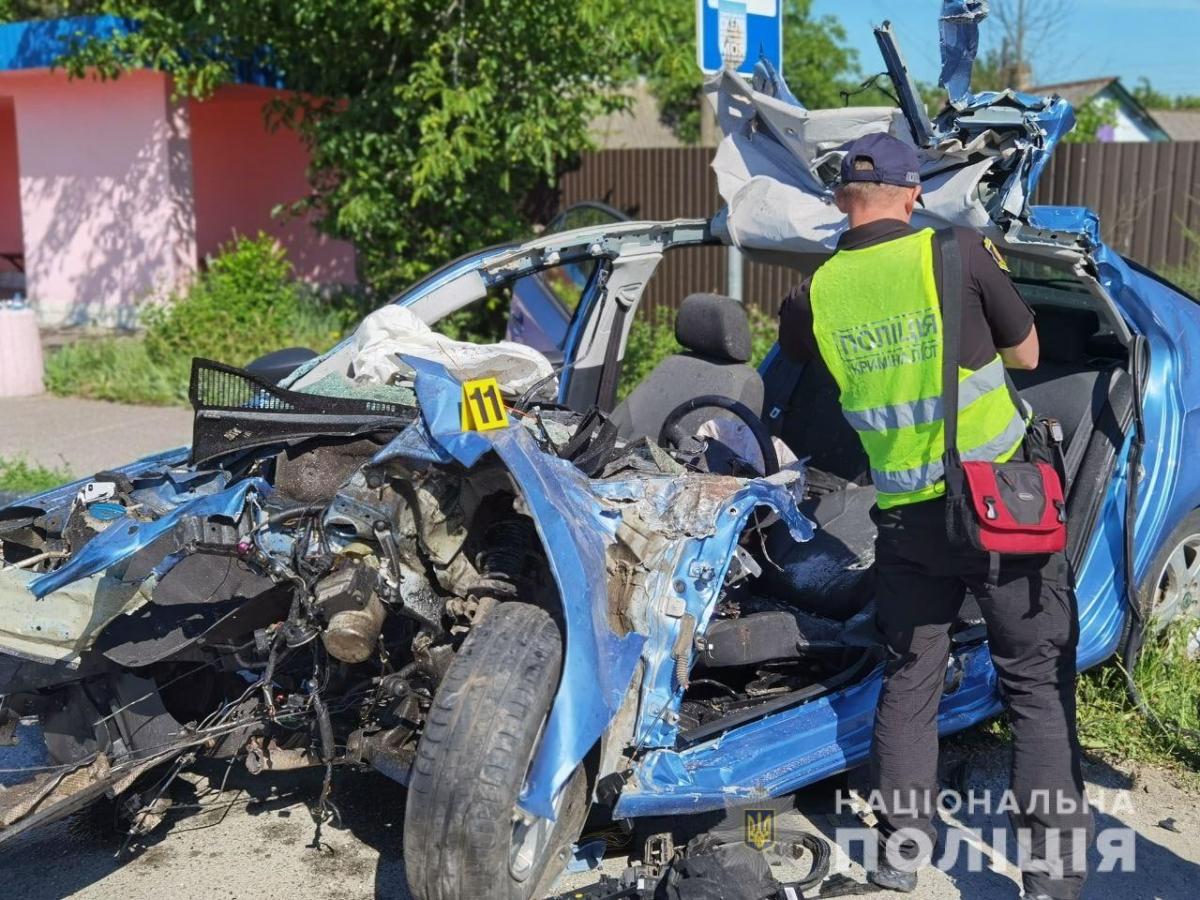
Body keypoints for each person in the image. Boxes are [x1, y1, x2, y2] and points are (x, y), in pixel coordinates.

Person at [777, 133, 1093, 899]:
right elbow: (1025, 357)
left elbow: (801, 377)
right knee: (1034, 685)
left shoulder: (813, 294)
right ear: (912, 193)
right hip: (1000, 510)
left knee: (911, 681)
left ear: (841, 201)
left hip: (906, 522)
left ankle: (900, 856)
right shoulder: (955, 253)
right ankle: (1051, 879)